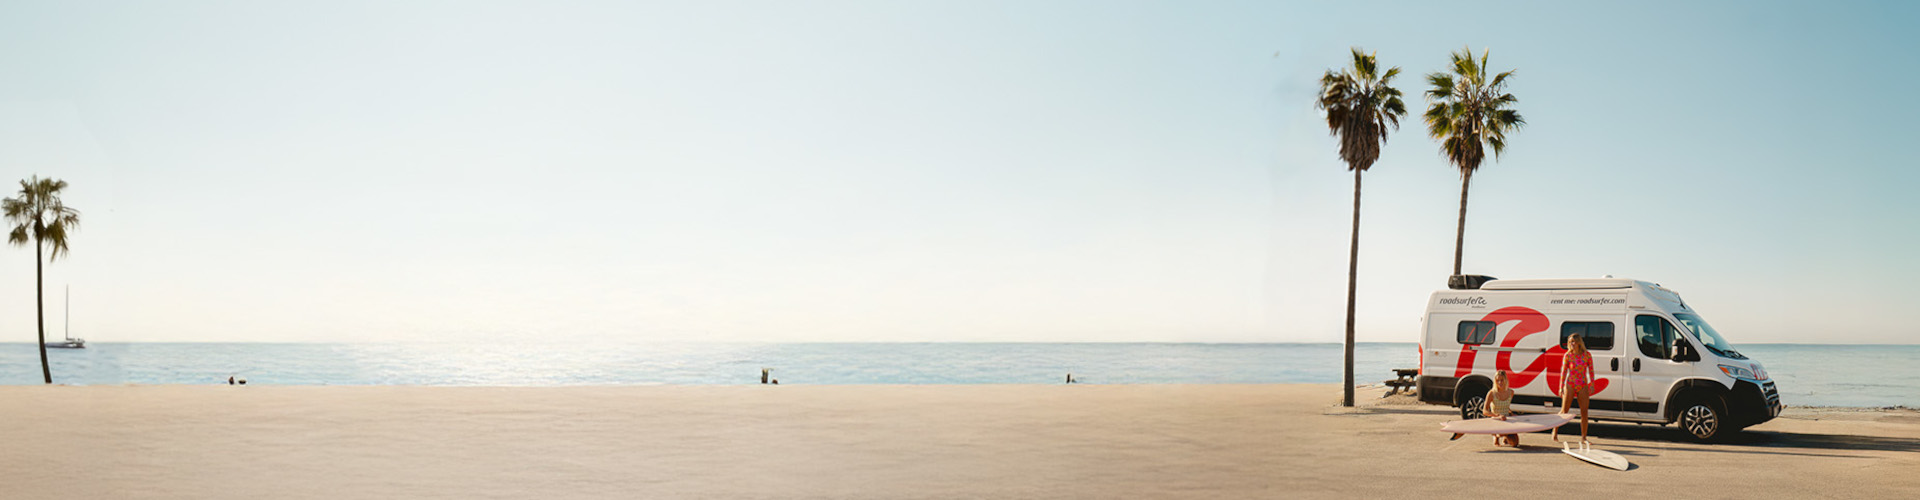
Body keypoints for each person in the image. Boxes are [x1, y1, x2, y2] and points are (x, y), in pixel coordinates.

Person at [1554, 333, 1595, 445]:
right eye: (1570, 342)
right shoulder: (1568, 356)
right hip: (1570, 384)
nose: (1571, 344)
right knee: (1564, 411)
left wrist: (1592, 383)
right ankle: (1555, 431)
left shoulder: (1587, 355)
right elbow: (1563, 372)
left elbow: (1591, 370)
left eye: (1573, 341)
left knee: (1584, 412)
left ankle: (1584, 437)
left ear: (1578, 343)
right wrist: (1561, 387)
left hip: (1582, 384)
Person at [1484, 370, 1519, 447]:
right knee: (1501, 433)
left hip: (1507, 419)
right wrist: (1497, 416)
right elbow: (1485, 411)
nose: (1500, 382)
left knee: (1515, 443)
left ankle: (1506, 436)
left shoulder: (1511, 392)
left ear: (1506, 380)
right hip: (1496, 419)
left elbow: (1507, 407)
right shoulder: (1491, 393)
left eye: (1502, 380)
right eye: (1497, 380)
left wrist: (1512, 414)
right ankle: (1495, 436)